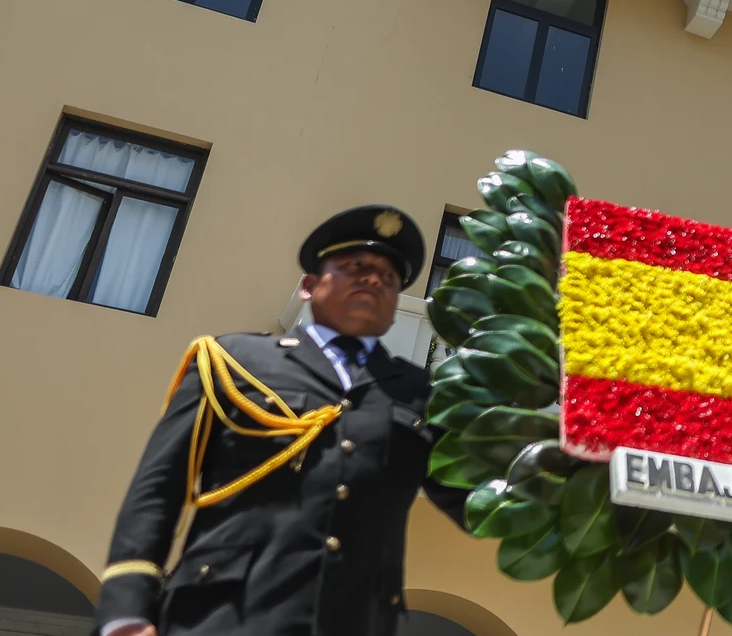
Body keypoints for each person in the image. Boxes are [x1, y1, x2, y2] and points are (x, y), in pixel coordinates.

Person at [93, 206, 468, 636]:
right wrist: (127, 610)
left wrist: (552, 464)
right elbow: (158, 489)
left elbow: (474, 503)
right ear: (309, 286)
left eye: (389, 277)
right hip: (222, 617)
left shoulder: (422, 393)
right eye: (355, 267)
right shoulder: (232, 360)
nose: (374, 280)